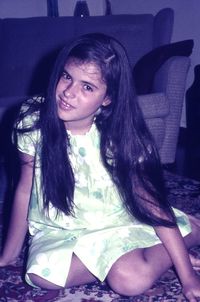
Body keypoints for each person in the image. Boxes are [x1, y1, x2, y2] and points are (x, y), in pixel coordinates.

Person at [0, 33, 200, 301]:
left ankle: (185, 235)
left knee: (128, 280)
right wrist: (8, 254)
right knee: (41, 276)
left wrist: (188, 276)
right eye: (67, 76)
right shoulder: (33, 119)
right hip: (62, 227)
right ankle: (143, 254)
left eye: (87, 87)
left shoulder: (117, 136)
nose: (69, 93)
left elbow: (150, 201)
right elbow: (25, 188)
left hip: (118, 222)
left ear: (107, 99)